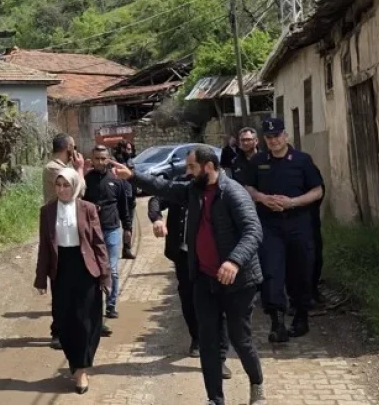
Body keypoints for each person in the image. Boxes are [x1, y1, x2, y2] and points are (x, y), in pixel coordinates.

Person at [113, 149, 267, 405]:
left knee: (240, 339)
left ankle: (257, 384)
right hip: (205, 280)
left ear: (208, 167)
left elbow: (253, 231)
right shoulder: (193, 190)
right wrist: (132, 176)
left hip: (238, 283)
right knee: (208, 342)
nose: (188, 172)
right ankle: (215, 399)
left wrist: (234, 260)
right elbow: (163, 186)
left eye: (192, 167)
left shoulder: (233, 193)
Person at [235, 117, 324, 343]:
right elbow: (247, 187)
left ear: (285, 136)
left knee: (301, 271)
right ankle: (277, 323)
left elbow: (317, 191)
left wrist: (292, 202)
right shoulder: (258, 161)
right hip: (270, 226)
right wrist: (262, 198)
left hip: (298, 224)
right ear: (264, 139)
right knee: (272, 272)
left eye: (277, 136)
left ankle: (301, 318)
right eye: (269, 137)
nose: (273, 141)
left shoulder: (302, 161)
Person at [35, 167, 112, 395]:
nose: (61, 190)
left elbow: (98, 243)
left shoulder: (87, 209)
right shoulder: (47, 211)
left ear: (75, 186)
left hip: (86, 267)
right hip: (62, 269)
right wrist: (40, 278)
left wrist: (105, 274)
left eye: (66, 185)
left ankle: (81, 366)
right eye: (58, 185)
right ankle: (76, 364)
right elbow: (44, 247)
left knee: (88, 320)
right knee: (65, 319)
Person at [149, 183, 232, 380]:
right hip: (184, 254)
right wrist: (157, 219)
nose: (190, 171)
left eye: (194, 166)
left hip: (212, 256)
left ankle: (220, 357)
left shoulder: (221, 190)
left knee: (218, 304)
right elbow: (156, 199)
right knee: (188, 297)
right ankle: (197, 337)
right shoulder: (181, 187)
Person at [43, 134, 82, 349]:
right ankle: (57, 330)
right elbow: (79, 188)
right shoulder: (53, 168)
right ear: (68, 147)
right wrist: (81, 169)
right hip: (58, 230)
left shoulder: (61, 167)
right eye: (73, 147)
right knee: (59, 284)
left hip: (70, 228)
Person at [84, 146, 130, 319]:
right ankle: (95, 304)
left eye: (103, 158)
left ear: (108, 159)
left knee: (112, 269)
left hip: (112, 230)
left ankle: (111, 305)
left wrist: (128, 227)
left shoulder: (116, 180)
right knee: (94, 270)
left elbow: (124, 205)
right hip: (92, 232)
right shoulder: (86, 180)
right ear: (92, 159)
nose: (100, 162)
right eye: (97, 158)